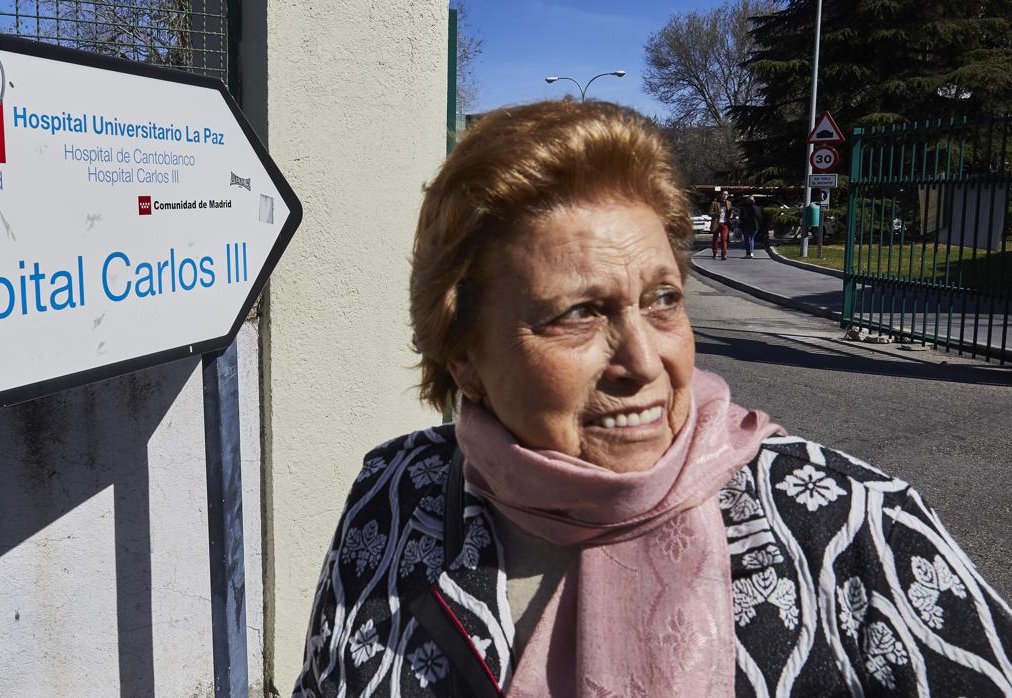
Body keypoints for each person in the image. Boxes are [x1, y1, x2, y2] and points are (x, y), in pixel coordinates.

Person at [293, 100, 1012, 697]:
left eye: (662, 300)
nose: (646, 361)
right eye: (578, 313)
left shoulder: (854, 529)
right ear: (464, 359)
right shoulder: (394, 495)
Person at [710, 190, 732, 260]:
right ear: (720, 195)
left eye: (726, 194)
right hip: (716, 223)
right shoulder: (714, 203)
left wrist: (731, 215)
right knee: (715, 239)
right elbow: (710, 213)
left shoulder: (729, 203)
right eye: (723, 194)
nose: (725, 195)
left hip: (725, 224)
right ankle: (715, 253)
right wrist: (717, 213)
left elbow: (730, 211)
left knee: (724, 239)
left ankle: (724, 254)